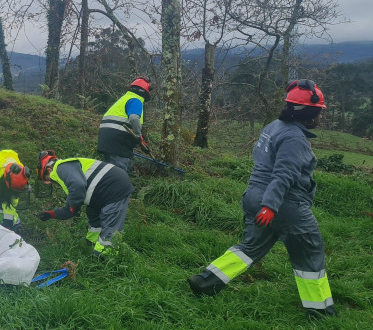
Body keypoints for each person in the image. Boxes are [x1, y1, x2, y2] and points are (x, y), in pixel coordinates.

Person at [188, 79, 335, 320]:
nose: (321, 117)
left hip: (254, 196)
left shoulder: (273, 127)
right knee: (310, 252)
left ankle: (206, 281)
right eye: (319, 112)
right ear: (309, 115)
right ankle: (320, 312)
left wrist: (265, 204)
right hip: (285, 205)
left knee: (251, 247)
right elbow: (284, 174)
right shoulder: (295, 139)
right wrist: (271, 206)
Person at [35, 151, 134, 256]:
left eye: (48, 179)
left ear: (49, 170)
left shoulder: (61, 168)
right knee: (92, 213)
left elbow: (78, 186)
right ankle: (91, 243)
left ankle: (104, 258)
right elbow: (71, 210)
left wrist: (72, 205)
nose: (51, 182)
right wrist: (51, 214)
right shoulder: (68, 170)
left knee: (110, 225)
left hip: (114, 188)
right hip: (102, 191)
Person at [97, 76, 152, 172]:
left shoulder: (125, 98)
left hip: (107, 140)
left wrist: (141, 141)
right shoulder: (136, 100)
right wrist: (138, 135)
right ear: (145, 91)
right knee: (119, 174)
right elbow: (134, 118)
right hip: (118, 143)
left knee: (111, 173)